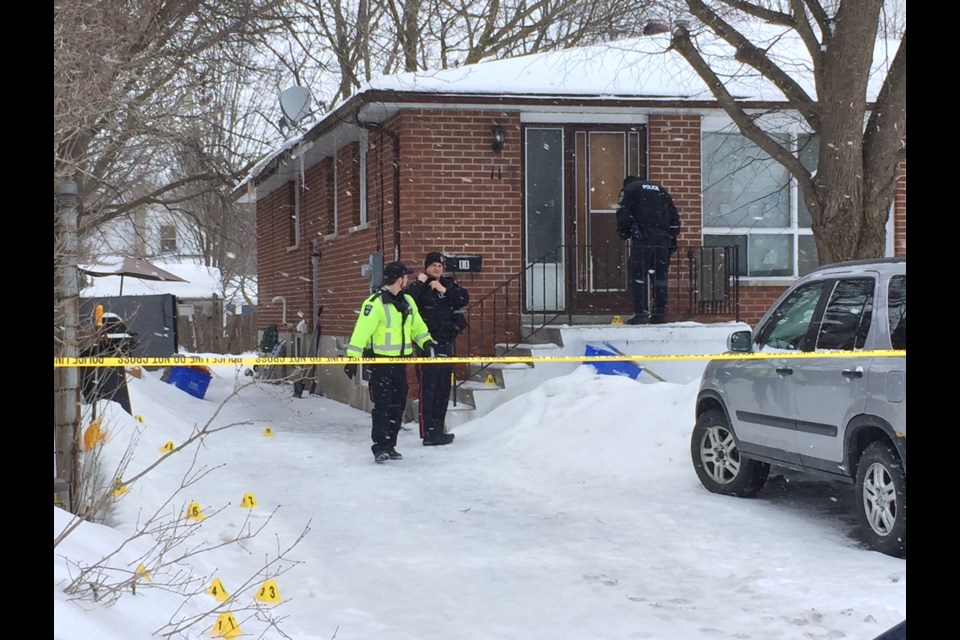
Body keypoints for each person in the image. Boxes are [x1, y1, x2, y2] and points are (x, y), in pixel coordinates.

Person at [344, 261, 436, 463]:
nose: (408, 280)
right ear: (399, 279)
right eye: (405, 277)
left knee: (398, 404)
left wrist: (427, 343)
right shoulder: (375, 303)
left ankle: (391, 445)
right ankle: (380, 446)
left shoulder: (408, 302)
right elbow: (361, 333)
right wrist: (352, 358)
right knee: (383, 405)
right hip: (381, 364)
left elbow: (418, 328)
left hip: (401, 364)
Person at [404, 252, 470, 446]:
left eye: (440, 266)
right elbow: (406, 300)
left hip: (447, 342)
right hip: (427, 344)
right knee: (428, 389)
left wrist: (443, 289)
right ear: (426, 267)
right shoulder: (419, 287)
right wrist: (419, 282)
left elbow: (462, 298)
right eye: (433, 265)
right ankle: (428, 433)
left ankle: (438, 430)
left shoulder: (449, 285)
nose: (437, 269)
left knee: (443, 388)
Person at [616, 175, 681, 324]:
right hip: (663, 239)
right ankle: (659, 313)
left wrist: (624, 231)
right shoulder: (661, 190)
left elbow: (623, 213)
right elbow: (674, 217)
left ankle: (641, 313)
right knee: (660, 275)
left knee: (638, 273)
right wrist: (670, 235)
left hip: (644, 237)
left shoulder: (630, 189)